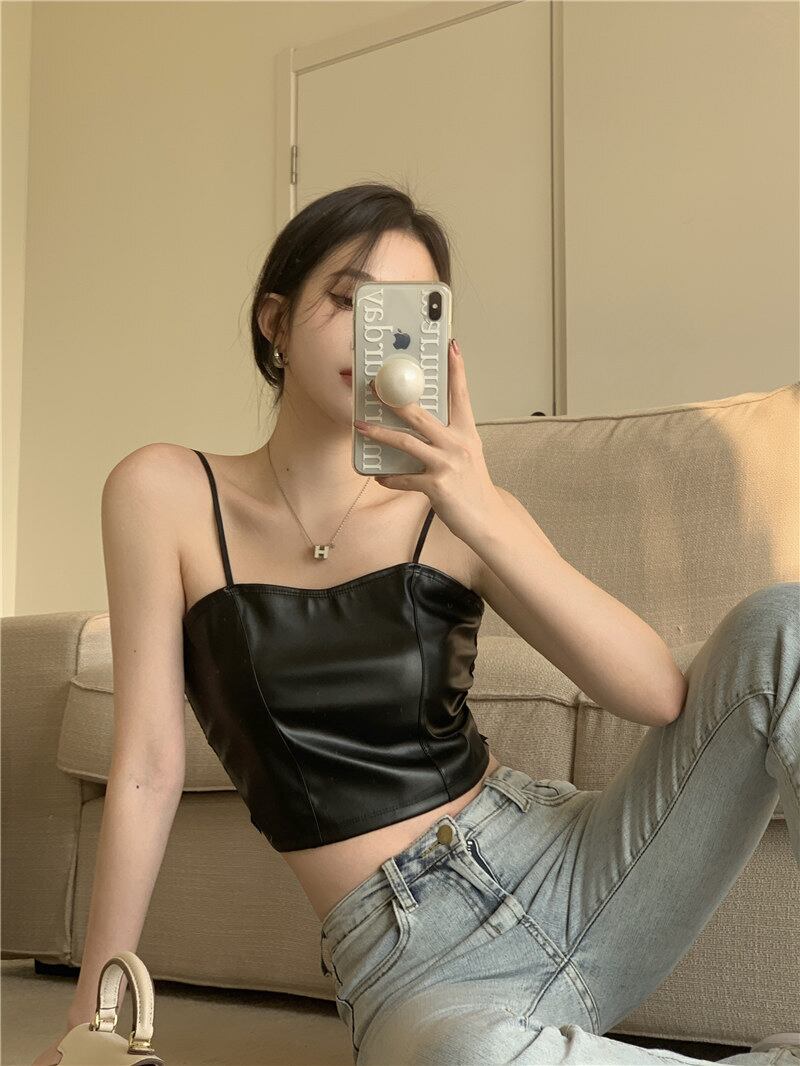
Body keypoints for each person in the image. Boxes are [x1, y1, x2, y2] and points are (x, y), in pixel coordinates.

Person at [34, 182, 800, 1066]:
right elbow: (146, 768)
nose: (376, 337)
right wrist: (92, 1020)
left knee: (782, 628)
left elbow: (658, 694)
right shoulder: (163, 494)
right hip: (409, 969)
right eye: (349, 301)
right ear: (275, 322)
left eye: (406, 312)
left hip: (577, 870)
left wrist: (480, 509)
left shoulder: (461, 510)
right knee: (469, 1061)